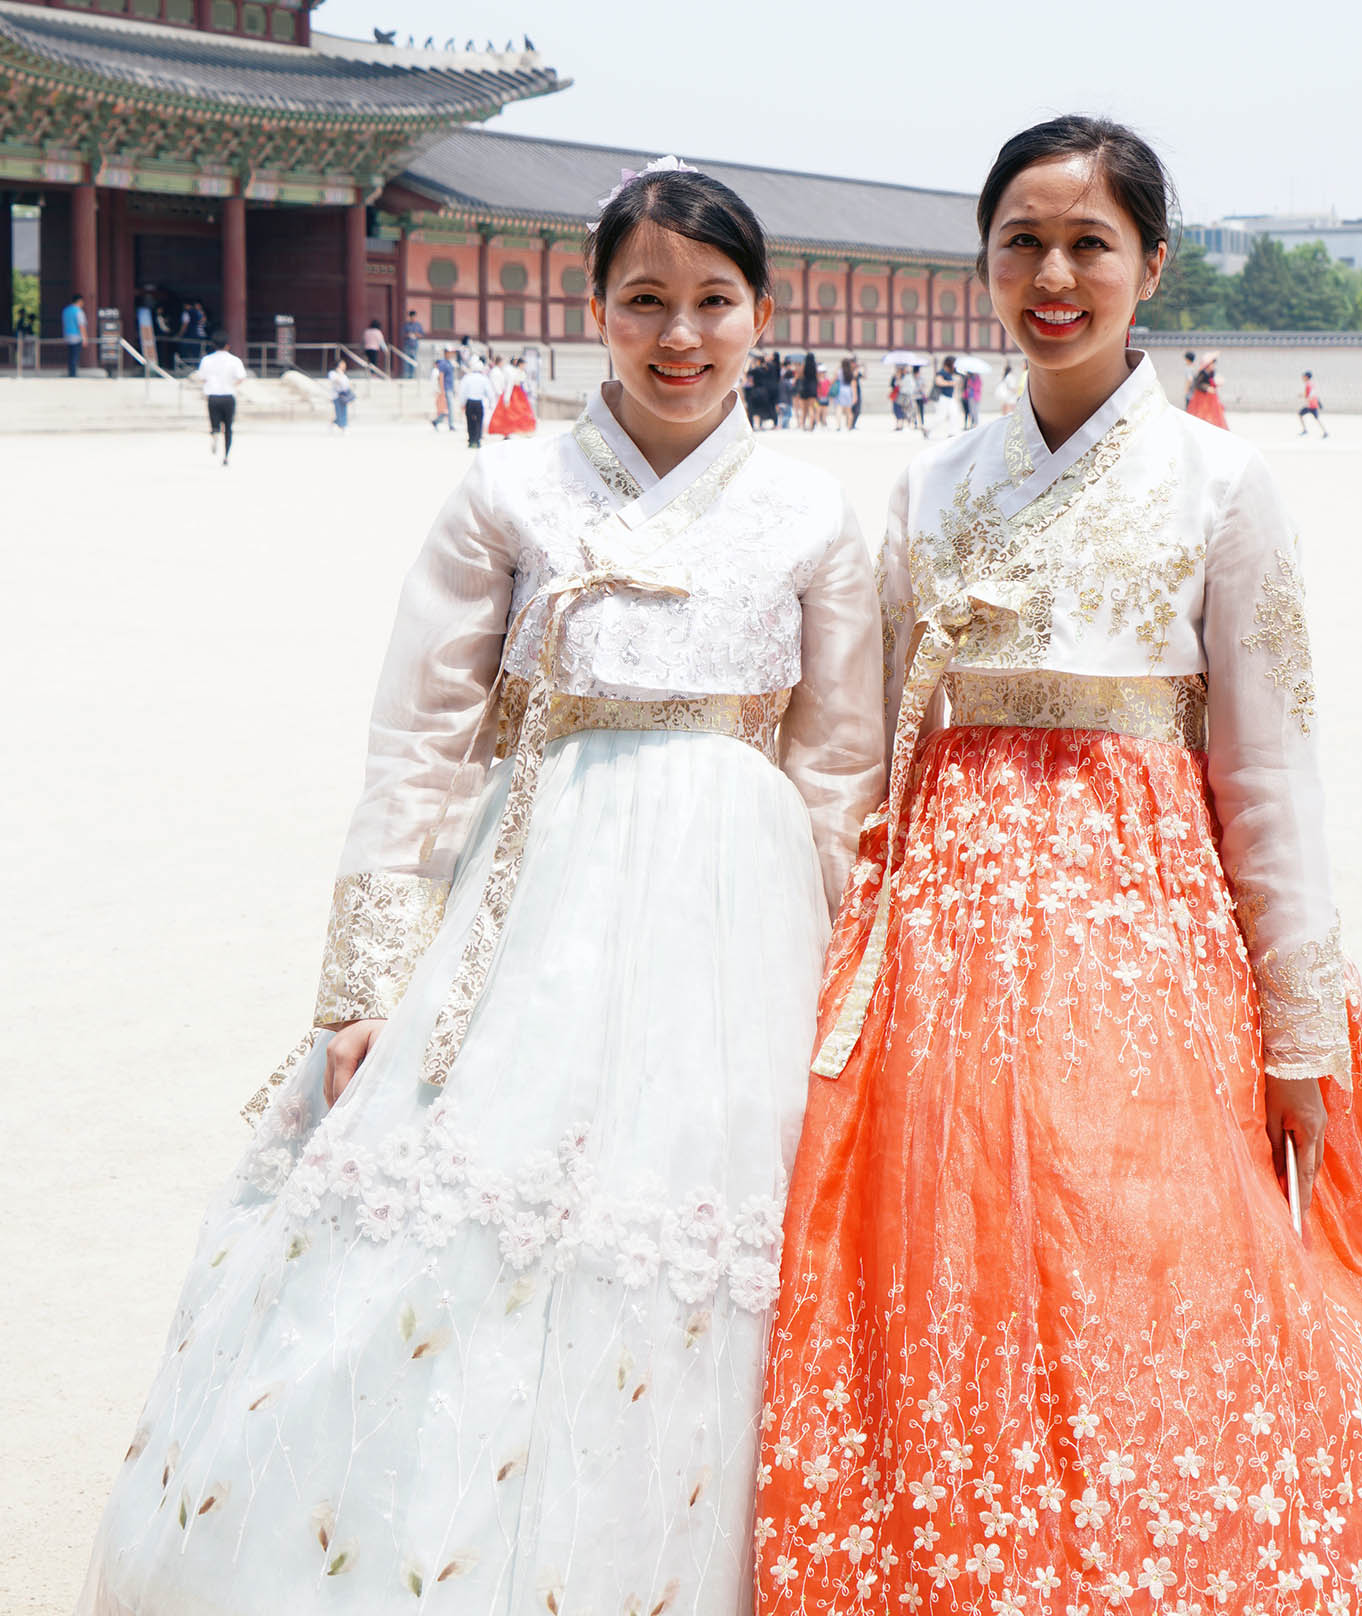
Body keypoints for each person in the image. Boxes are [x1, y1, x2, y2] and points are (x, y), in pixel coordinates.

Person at [77, 161, 884, 1616]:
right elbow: (420, 746)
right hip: (527, 901)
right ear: (594, 309)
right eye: (645, 301)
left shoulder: (816, 517)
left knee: (701, 1237)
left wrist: (840, 984)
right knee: (459, 1220)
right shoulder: (507, 488)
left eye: (711, 303)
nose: (679, 336)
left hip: (734, 916)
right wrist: (366, 984)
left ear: (761, 316)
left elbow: (835, 774)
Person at [756, 115, 1362, 1611]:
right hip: (948, 944)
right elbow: (881, 746)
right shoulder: (930, 486)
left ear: (1149, 262)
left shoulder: (1221, 488)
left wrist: (1293, 1026)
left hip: (1142, 943)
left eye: (1088, 242)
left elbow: (1267, 771)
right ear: (983, 267)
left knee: (1142, 1261)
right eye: (1019, 242)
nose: (1052, 275)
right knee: (956, 1276)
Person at [196, 335, 246, 463]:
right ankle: (226, 456)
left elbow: (201, 377)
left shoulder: (207, 360)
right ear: (227, 346)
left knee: (214, 423)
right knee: (228, 427)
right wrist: (232, 384)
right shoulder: (234, 360)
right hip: (229, 395)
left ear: (213, 345)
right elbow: (241, 377)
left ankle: (214, 433)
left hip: (213, 396)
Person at [488, 354, 537, 438]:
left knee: (521, 413)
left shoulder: (519, 372)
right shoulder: (512, 372)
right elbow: (510, 385)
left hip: (520, 394)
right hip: (514, 394)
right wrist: (506, 398)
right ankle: (509, 431)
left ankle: (522, 430)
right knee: (511, 414)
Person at [1184, 347, 1229, 429]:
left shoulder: (1212, 372)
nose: (1213, 365)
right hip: (1201, 397)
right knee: (1201, 413)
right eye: (1212, 363)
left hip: (1211, 397)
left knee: (1213, 413)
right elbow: (1198, 384)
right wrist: (1207, 388)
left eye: (1214, 363)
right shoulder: (1202, 372)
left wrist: (1217, 383)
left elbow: (1213, 382)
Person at [459, 352, 491, 448]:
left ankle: (471, 439)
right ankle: (477, 440)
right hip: (479, 402)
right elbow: (489, 392)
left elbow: (463, 392)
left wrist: (462, 403)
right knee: (479, 421)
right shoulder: (483, 378)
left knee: (470, 421)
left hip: (470, 402)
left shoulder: (467, 378)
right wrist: (491, 402)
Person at [929, 352, 961, 436]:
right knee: (941, 416)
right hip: (943, 397)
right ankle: (927, 428)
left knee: (954, 413)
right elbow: (938, 382)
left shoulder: (951, 373)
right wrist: (951, 383)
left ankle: (952, 432)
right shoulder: (941, 372)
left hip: (950, 398)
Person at [61, 291, 86, 376]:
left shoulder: (65, 311)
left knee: (70, 355)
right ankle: (73, 373)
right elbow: (81, 325)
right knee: (75, 355)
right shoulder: (78, 311)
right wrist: (84, 338)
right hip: (76, 336)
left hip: (67, 335)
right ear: (79, 301)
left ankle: (71, 372)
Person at [327, 355, 354, 430]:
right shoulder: (332, 373)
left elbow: (346, 385)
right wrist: (339, 373)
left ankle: (338, 424)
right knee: (339, 411)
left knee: (344, 411)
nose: (344, 366)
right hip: (336, 395)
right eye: (342, 364)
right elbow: (338, 381)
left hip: (344, 395)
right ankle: (342, 426)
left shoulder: (344, 375)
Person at [431, 347, 455, 431]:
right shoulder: (443, 363)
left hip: (450, 387)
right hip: (446, 388)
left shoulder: (450, 363)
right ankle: (451, 425)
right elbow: (441, 377)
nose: (451, 354)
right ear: (446, 353)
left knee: (448, 408)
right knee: (450, 407)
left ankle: (437, 421)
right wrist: (442, 390)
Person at [1301, 367, 1329, 437]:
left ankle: (1305, 430)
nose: (1303, 378)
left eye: (1304, 376)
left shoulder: (1308, 385)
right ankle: (1325, 432)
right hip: (1313, 404)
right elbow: (1313, 394)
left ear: (1306, 377)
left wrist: (1303, 396)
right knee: (1316, 418)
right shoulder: (1311, 384)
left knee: (1301, 415)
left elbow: (1308, 395)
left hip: (1310, 405)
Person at [796, 349, 820, 430]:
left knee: (804, 409)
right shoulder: (815, 366)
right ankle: (811, 425)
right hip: (813, 388)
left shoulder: (804, 365)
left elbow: (800, 376)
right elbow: (818, 378)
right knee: (811, 408)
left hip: (805, 387)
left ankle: (803, 425)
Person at [835, 357, 857, 429]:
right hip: (848, 390)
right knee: (849, 410)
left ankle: (838, 425)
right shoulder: (851, 372)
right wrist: (854, 395)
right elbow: (853, 384)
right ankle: (849, 426)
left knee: (839, 408)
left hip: (840, 390)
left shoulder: (839, 371)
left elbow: (834, 380)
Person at [402, 309, 424, 377]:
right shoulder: (406, 325)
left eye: (414, 317)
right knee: (406, 361)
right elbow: (402, 334)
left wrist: (417, 335)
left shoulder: (418, 325)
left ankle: (412, 375)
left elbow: (421, 335)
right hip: (407, 345)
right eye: (412, 317)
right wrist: (408, 335)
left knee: (414, 360)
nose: (413, 318)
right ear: (410, 317)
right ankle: (406, 375)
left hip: (415, 345)